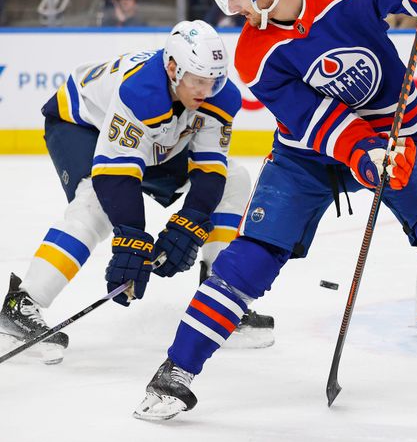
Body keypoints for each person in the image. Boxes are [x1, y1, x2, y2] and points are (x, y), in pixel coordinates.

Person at [133, 0, 417, 421]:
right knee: (252, 254)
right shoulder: (255, 53)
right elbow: (315, 120)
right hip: (307, 154)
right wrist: (363, 153)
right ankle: (177, 370)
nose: (230, 6)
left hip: (396, 132)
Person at [0, 21, 274, 364]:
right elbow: (117, 176)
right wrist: (131, 239)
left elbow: (209, 168)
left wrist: (190, 222)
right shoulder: (141, 92)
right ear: (173, 69)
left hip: (157, 137)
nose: (208, 90)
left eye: (214, 80)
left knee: (234, 178)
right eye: (199, 80)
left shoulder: (219, 97)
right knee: (96, 205)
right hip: (83, 124)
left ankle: (221, 295)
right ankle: (22, 304)